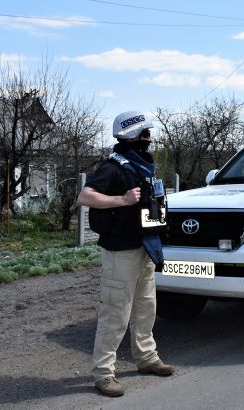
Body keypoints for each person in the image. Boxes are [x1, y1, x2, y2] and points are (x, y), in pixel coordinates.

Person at [78, 111, 174, 397]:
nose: (150, 139)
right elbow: (85, 196)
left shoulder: (142, 165)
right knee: (116, 313)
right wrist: (122, 199)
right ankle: (104, 373)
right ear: (132, 135)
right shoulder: (113, 167)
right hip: (120, 251)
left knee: (146, 308)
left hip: (144, 246)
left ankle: (146, 358)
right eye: (146, 134)